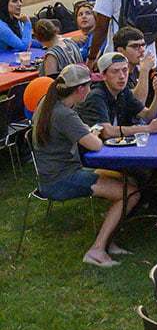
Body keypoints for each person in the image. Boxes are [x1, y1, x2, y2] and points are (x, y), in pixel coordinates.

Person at [31, 64, 139, 267]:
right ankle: (96, 250)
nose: (91, 91)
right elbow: (96, 145)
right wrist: (94, 133)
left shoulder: (47, 103)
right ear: (80, 90)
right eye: (89, 86)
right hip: (62, 180)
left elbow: (74, 131)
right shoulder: (65, 115)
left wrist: (87, 131)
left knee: (127, 181)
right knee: (131, 193)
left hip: (51, 175)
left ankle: (109, 240)